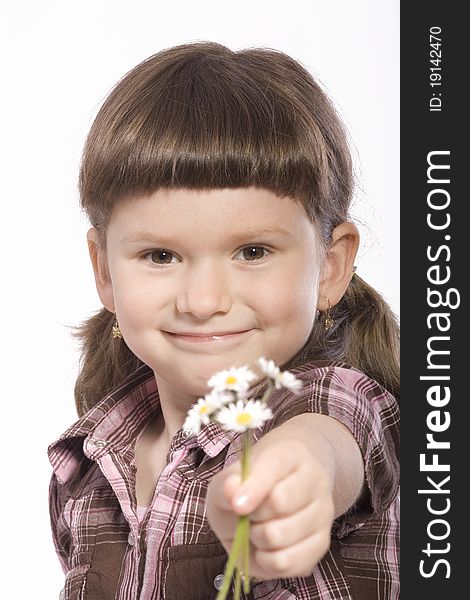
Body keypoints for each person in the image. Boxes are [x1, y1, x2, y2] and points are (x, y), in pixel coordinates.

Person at [47, 41, 399, 600]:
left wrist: (291, 480)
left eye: (253, 252)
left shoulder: (334, 400)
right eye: (161, 256)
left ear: (331, 266)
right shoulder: (85, 472)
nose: (204, 300)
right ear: (104, 271)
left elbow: (328, 439)